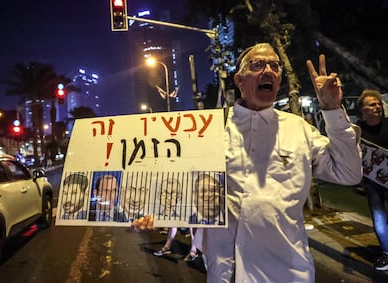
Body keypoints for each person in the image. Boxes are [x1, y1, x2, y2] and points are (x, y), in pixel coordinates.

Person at [132, 43, 362, 282]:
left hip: (287, 272)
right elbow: (179, 184)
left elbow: (348, 173)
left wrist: (332, 109)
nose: (268, 70)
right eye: (257, 65)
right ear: (239, 81)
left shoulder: (299, 129)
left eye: (275, 65)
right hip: (224, 271)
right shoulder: (208, 130)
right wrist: (153, 212)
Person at [356, 89, 388, 271]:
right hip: (372, 181)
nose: (377, 107)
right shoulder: (356, 131)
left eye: (378, 104)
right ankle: (387, 254)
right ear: (363, 110)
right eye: (372, 104)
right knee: (378, 215)